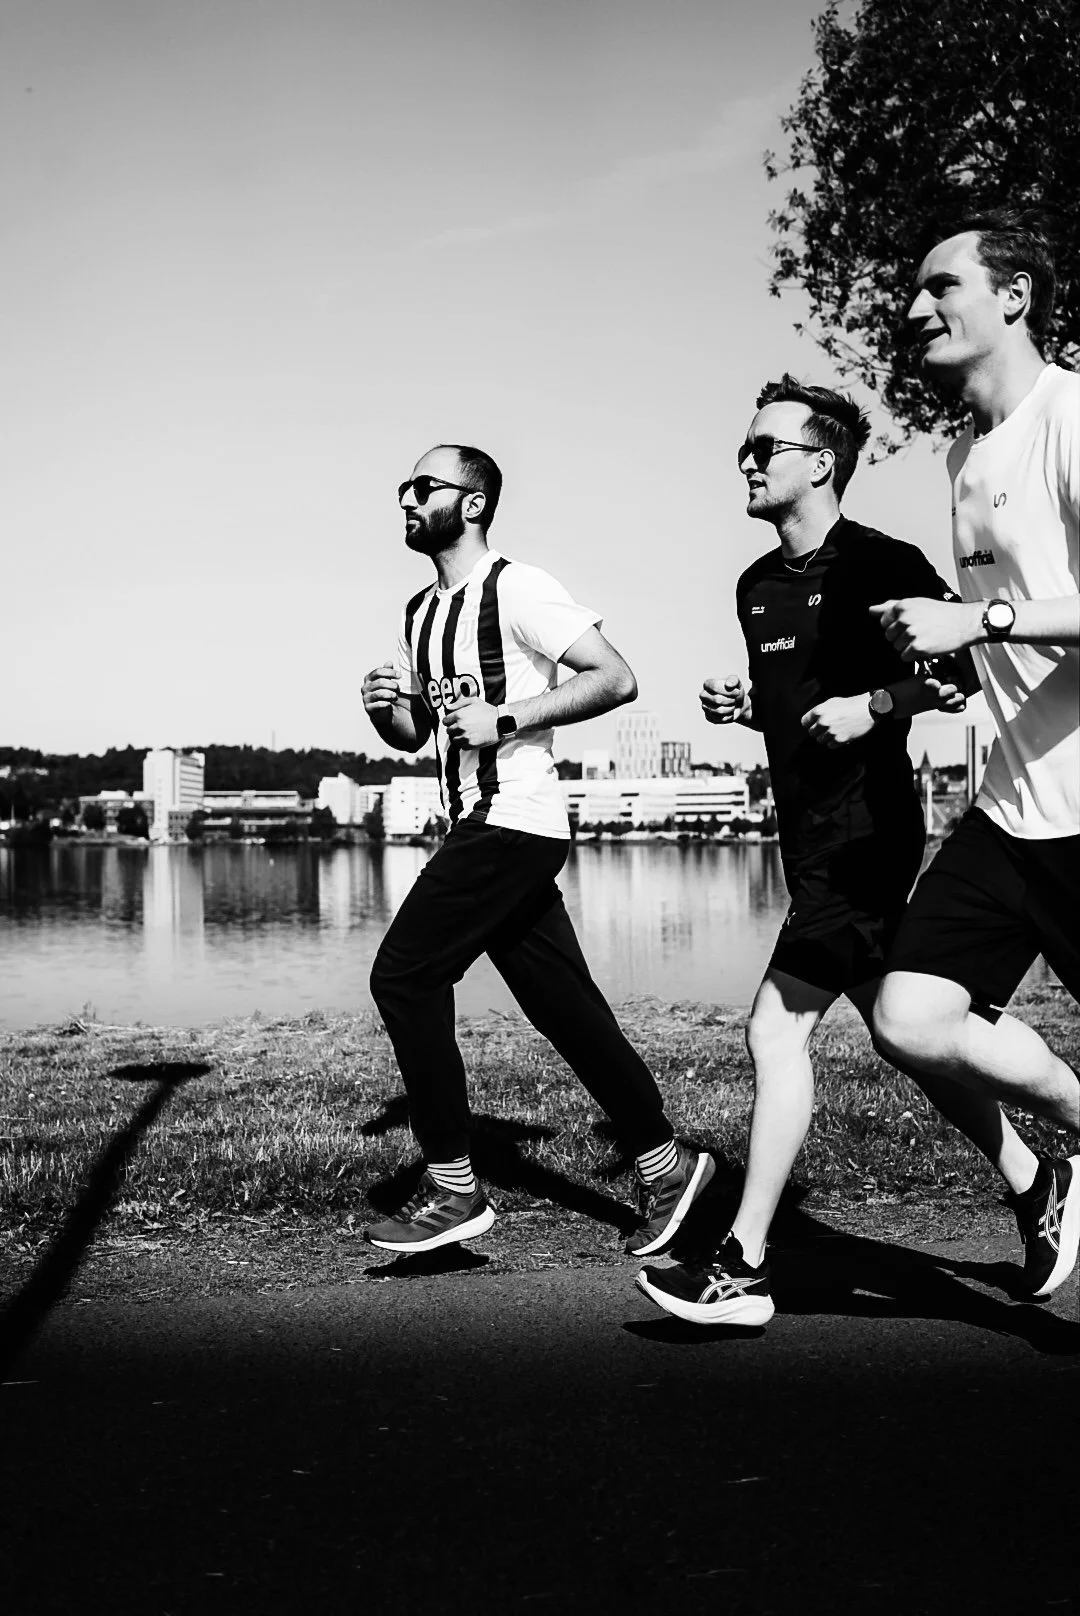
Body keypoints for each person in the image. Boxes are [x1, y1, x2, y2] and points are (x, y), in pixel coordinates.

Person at [636, 374, 978, 1327]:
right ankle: (1039, 1180)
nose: (746, 461)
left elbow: (962, 674)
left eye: (765, 448)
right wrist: (754, 710)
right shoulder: (755, 585)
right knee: (908, 1036)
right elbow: (800, 710)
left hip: (869, 837)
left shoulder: (880, 561)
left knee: (774, 1031)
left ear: (821, 463)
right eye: (743, 448)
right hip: (807, 839)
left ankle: (743, 1267)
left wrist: (876, 706)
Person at [361, 443, 713, 1255]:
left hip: (513, 820)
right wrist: (386, 711)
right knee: (567, 1011)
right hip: (479, 824)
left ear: (474, 503)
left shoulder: (517, 588)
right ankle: (668, 1167)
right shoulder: (420, 611)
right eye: (403, 489)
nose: (408, 501)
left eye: (424, 487)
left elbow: (615, 677)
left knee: (405, 976)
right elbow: (420, 734)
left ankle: (454, 1189)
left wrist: (511, 719)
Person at [871, 207, 1080, 1299]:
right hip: (1009, 809)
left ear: (1016, 296)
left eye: (940, 285)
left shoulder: (1071, 417)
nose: (916, 310)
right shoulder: (963, 453)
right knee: (908, 1014)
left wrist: (978, 624)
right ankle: (1065, 1150)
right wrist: (946, 653)